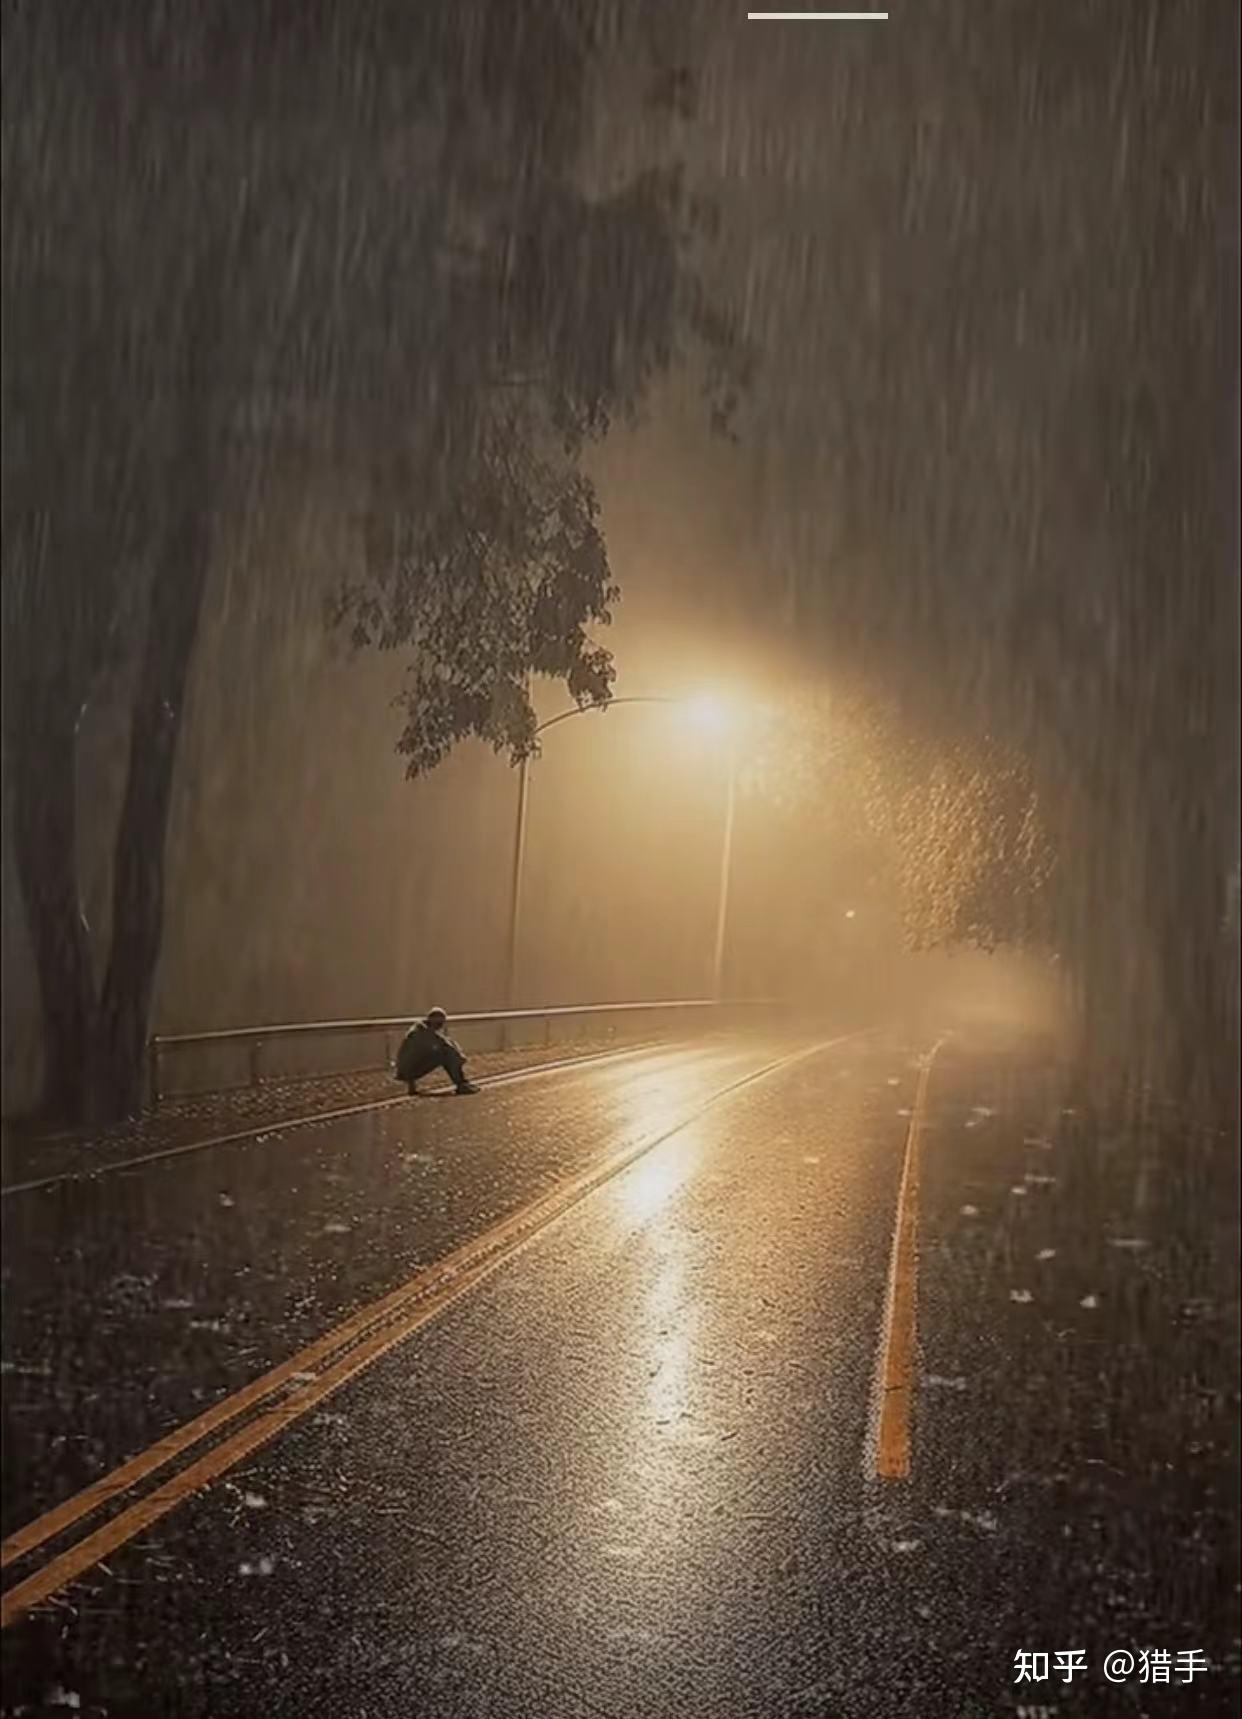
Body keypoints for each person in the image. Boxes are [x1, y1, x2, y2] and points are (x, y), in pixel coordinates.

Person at [395, 1008, 480, 1095]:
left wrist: (457, 1054)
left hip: (410, 1067)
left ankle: (462, 1083)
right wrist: (459, 1057)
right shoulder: (422, 1031)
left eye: (442, 1023)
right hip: (407, 1070)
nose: (440, 1026)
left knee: (447, 1053)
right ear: (431, 1019)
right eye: (438, 1023)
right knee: (446, 1055)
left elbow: (446, 1041)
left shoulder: (423, 1028)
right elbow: (443, 1043)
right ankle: (461, 1084)